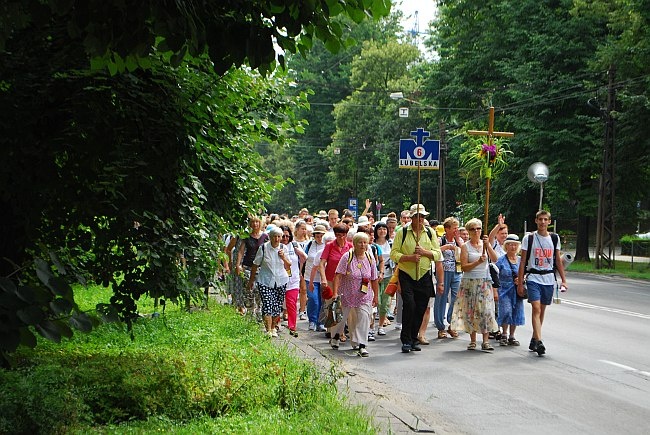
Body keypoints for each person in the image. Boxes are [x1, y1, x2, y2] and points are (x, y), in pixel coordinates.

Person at [390, 204, 443, 353]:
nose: (421, 219)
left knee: (421, 307)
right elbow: (394, 254)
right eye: (418, 216)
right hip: (407, 274)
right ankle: (406, 340)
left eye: (423, 217)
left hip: (424, 274)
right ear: (412, 217)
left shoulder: (430, 233)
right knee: (410, 305)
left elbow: (438, 254)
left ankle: (414, 338)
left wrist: (425, 252)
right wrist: (408, 257)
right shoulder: (403, 232)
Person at [517, 210, 568, 355]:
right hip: (533, 277)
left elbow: (557, 260)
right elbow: (522, 262)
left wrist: (563, 280)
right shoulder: (529, 238)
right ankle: (539, 341)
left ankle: (534, 338)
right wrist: (520, 283)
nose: (543, 222)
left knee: (542, 310)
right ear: (536, 220)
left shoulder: (554, 238)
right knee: (536, 308)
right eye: (540, 219)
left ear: (549, 222)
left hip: (548, 278)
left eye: (546, 220)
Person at [450, 218, 499, 351]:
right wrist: (478, 262)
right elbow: (464, 267)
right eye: (473, 229)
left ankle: (486, 341)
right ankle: (472, 340)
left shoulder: (485, 244)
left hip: (484, 281)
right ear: (468, 232)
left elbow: (495, 259)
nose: (476, 231)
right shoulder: (465, 247)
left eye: (478, 228)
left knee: (486, 311)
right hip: (470, 282)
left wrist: (488, 245)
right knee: (471, 310)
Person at [329, 232, 379, 357]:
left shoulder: (370, 258)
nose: (362, 245)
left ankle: (361, 344)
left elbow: (374, 278)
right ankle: (335, 336)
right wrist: (335, 293)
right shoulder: (347, 257)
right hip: (347, 293)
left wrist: (376, 296)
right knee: (342, 318)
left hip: (364, 295)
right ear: (354, 244)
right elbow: (338, 275)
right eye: (360, 242)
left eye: (365, 242)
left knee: (363, 318)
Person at [246, 227, 290, 337]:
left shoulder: (284, 248)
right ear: (269, 237)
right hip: (265, 280)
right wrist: (251, 281)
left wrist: (283, 257)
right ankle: (268, 330)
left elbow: (289, 265)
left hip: (281, 280)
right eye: (274, 236)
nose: (276, 239)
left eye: (279, 236)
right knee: (267, 303)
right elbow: (255, 264)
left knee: (277, 305)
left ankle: (273, 327)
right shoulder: (264, 248)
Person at [318, 223, 353, 340]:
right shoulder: (329, 246)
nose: (340, 238)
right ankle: (331, 329)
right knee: (331, 305)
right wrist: (323, 278)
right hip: (330, 279)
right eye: (338, 235)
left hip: (345, 281)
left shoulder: (350, 247)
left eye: (343, 235)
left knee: (342, 306)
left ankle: (340, 332)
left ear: (346, 235)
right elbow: (322, 263)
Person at [434, 217, 464, 339]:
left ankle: (452, 323)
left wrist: (458, 240)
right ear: (447, 229)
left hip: (457, 271)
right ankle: (440, 326)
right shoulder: (441, 240)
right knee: (441, 297)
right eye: (454, 228)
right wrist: (446, 247)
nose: (456, 230)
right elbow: (434, 252)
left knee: (457, 298)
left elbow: (465, 251)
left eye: (457, 228)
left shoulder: (459, 240)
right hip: (444, 271)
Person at [235, 216, 269, 318]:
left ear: (260, 223)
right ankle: (250, 312)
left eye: (257, 222)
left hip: (261, 267)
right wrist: (238, 264)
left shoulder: (265, 237)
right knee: (248, 289)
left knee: (259, 290)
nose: (255, 224)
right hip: (247, 266)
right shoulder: (246, 237)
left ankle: (259, 311)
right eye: (253, 222)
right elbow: (241, 251)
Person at [495, 234, 525, 346]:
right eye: (510, 245)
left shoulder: (520, 260)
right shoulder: (501, 261)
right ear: (506, 246)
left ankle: (512, 336)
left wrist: (521, 280)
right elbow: (495, 275)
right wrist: (495, 290)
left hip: (517, 291)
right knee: (506, 311)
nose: (513, 247)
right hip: (504, 290)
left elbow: (525, 273)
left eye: (515, 245)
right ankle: (504, 333)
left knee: (516, 312)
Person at [280, 225, 307, 337]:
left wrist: (300, 270)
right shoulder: (277, 246)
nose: (285, 238)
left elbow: (304, 257)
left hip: (293, 279)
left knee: (291, 303)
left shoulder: (294, 245)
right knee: (279, 303)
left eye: (287, 236)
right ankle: (276, 324)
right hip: (280, 279)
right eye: (283, 236)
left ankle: (292, 326)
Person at [306, 225, 327, 331]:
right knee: (314, 300)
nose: (319, 238)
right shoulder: (309, 245)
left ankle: (321, 322)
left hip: (324, 278)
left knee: (322, 301)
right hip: (311, 276)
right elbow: (304, 259)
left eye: (321, 236)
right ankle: (312, 321)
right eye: (317, 236)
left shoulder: (328, 245)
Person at [374, 222, 393, 336]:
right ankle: (371, 326)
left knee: (385, 301)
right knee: (377, 300)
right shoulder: (372, 244)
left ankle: (380, 325)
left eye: (384, 229)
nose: (382, 231)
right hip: (374, 275)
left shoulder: (390, 244)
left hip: (388, 274)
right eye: (380, 229)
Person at [293, 220, 310, 321]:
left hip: (305, 267)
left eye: (305, 229)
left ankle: (302, 310)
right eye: (302, 229)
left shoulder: (308, 242)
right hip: (294, 266)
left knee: (303, 289)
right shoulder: (293, 241)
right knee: (294, 289)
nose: (304, 231)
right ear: (297, 230)